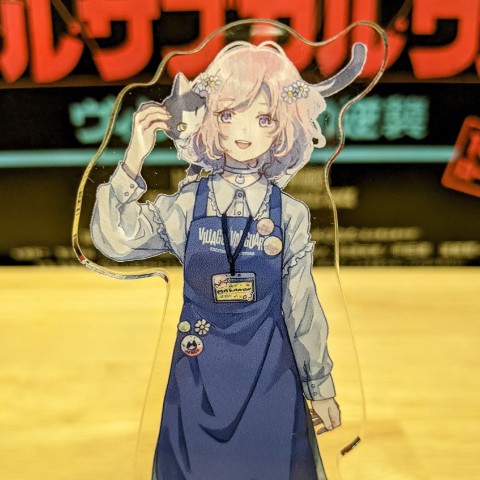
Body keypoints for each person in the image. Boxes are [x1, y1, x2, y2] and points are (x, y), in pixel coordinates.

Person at [91, 40, 364, 480]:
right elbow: (115, 240)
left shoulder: (290, 215)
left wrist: (320, 386)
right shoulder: (185, 205)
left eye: (263, 118)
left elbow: (301, 306)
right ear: (209, 119)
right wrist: (133, 157)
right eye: (228, 114)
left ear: (283, 127)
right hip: (197, 375)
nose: (244, 130)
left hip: (271, 375)